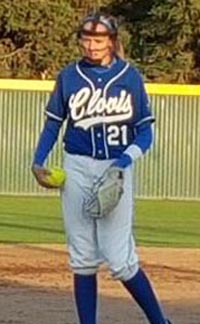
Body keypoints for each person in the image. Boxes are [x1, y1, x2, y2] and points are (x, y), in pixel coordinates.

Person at [32, 12, 172, 324]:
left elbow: (146, 131)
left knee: (120, 260)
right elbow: (53, 125)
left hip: (115, 168)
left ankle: (161, 322)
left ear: (111, 41)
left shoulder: (129, 76)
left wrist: (123, 163)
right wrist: (37, 161)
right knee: (82, 258)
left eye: (99, 39)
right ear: (80, 40)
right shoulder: (68, 76)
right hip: (77, 167)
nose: (92, 45)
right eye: (87, 38)